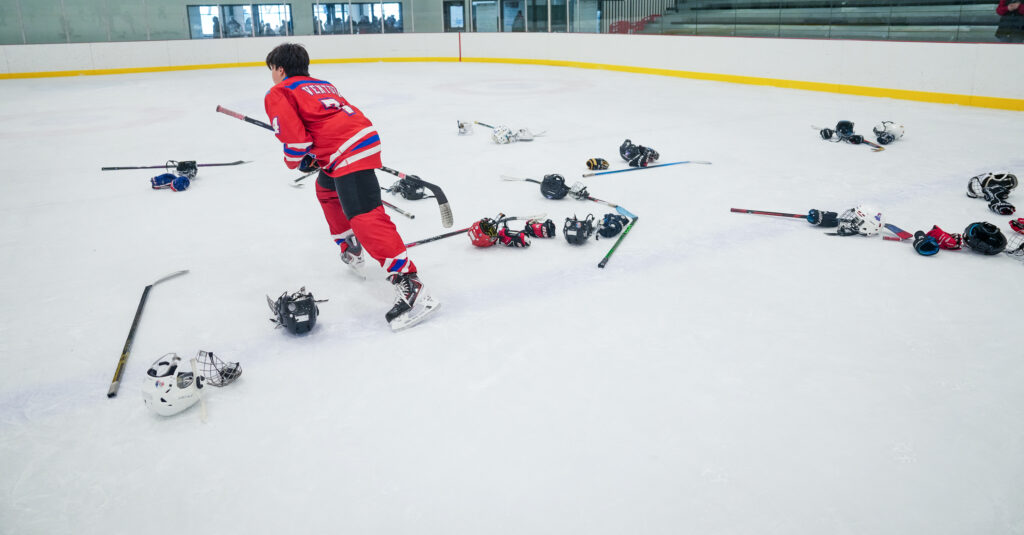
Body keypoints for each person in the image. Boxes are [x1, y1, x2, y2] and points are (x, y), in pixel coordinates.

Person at [263, 43, 439, 331]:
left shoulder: (280, 91)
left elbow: (295, 143)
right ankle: (351, 245)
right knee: (327, 190)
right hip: (359, 140)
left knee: (366, 216)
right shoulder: (321, 85)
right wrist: (314, 156)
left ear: (280, 69)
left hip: (346, 151)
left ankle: (409, 282)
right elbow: (320, 125)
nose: (272, 76)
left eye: (272, 70)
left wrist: (296, 160)